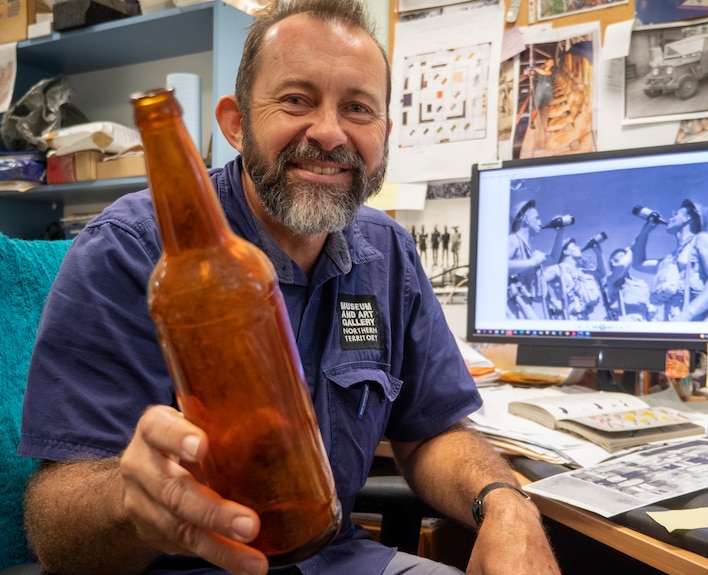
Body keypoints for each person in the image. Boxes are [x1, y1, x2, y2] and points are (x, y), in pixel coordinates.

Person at [17, 2, 561, 575]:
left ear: (385, 133)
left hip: (338, 557)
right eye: (297, 100)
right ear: (235, 122)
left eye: (357, 108)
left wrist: (506, 505)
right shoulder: (130, 249)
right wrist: (133, 502)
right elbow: (56, 527)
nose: (329, 133)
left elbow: (434, 432)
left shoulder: (390, 255)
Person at [631, 199, 708, 322]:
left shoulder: (702, 239)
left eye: (675, 214)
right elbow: (638, 264)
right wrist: (646, 230)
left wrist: (688, 314)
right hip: (672, 324)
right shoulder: (669, 260)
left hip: (696, 324)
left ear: (687, 218)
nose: (670, 218)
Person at [507, 199, 564, 319]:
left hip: (524, 306)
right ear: (526, 220)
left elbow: (553, 259)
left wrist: (560, 234)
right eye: (537, 218)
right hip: (512, 308)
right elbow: (500, 266)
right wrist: (532, 262)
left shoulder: (528, 250)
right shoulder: (513, 240)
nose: (540, 222)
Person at [543, 238, 602, 320]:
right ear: (565, 252)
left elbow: (601, 273)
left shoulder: (581, 272)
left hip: (583, 318)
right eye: (574, 246)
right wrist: (551, 301)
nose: (578, 248)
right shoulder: (557, 269)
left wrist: (599, 254)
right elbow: (538, 282)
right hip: (566, 317)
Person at [600, 246, 655, 322]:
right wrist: (630, 251)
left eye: (625, 256)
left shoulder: (641, 282)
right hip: (624, 319)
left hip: (643, 321)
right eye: (621, 256)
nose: (625, 257)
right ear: (612, 262)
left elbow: (649, 303)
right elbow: (622, 266)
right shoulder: (612, 279)